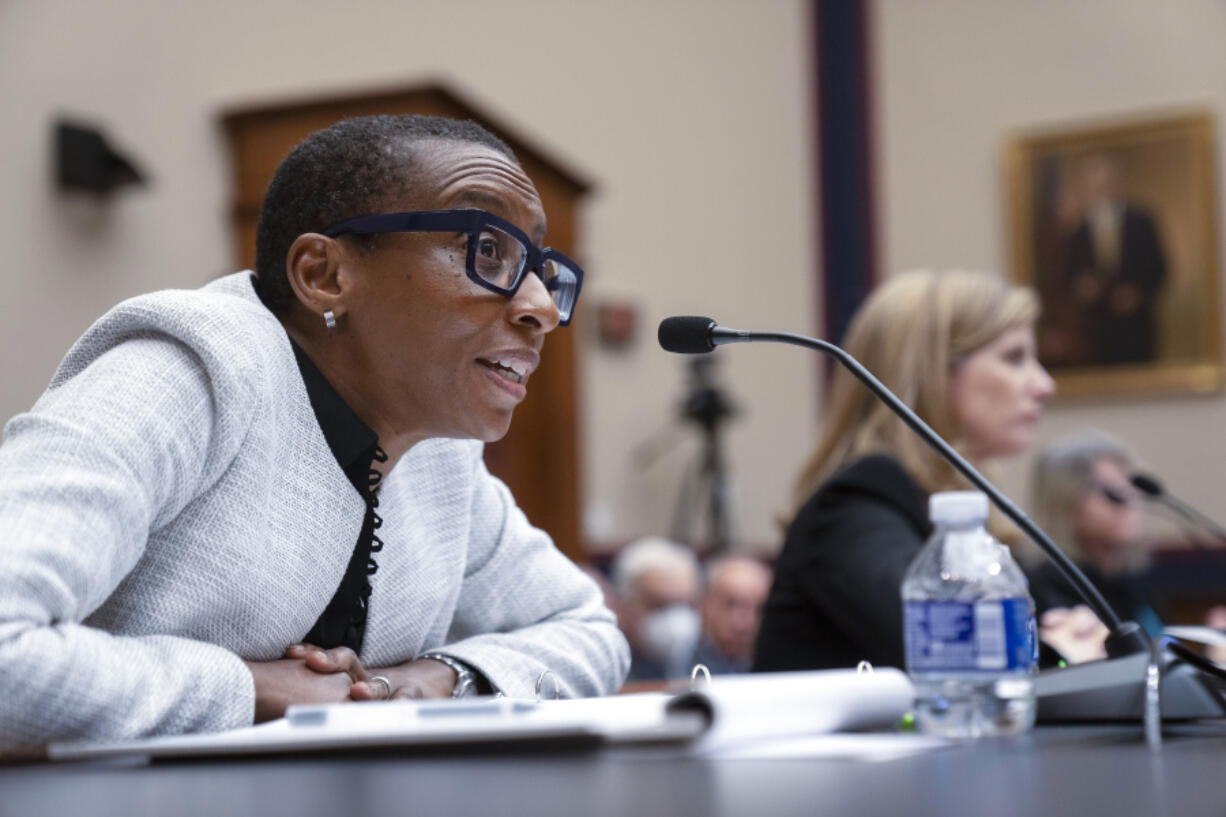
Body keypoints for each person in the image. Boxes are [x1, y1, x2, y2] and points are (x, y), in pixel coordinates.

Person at [0, 115, 628, 750]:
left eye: (543, 270)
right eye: (487, 250)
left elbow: (586, 630)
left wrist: (429, 682)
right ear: (324, 275)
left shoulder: (441, 455)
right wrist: (248, 692)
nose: (543, 309)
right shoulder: (186, 373)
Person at [754, 269, 1056, 672]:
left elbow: (1049, 625)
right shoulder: (854, 507)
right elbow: (954, 649)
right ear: (931, 372)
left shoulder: (958, 512)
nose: (1044, 385)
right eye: (1014, 357)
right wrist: (1062, 652)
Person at [1028, 431, 1164, 637]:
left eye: (1131, 485)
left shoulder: (1130, 580)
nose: (1128, 499)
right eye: (1110, 490)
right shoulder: (1044, 592)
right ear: (1064, 501)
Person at [1057, 154, 1167, 366]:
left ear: (1117, 182)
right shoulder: (1075, 234)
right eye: (1095, 185)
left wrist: (1138, 294)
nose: (1101, 190)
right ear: (1086, 187)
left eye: (1106, 183)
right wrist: (1082, 290)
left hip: (1138, 329)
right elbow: (1065, 282)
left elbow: (1161, 270)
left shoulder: (1142, 222)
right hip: (1095, 334)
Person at [611, 537, 701, 682]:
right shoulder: (606, 669)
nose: (675, 620)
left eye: (685, 604)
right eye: (661, 605)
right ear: (624, 603)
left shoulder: (704, 665)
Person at [691, 556, 772, 675]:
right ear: (703, 605)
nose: (745, 623)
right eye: (730, 605)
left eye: (759, 609)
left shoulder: (780, 665)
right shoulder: (674, 662)